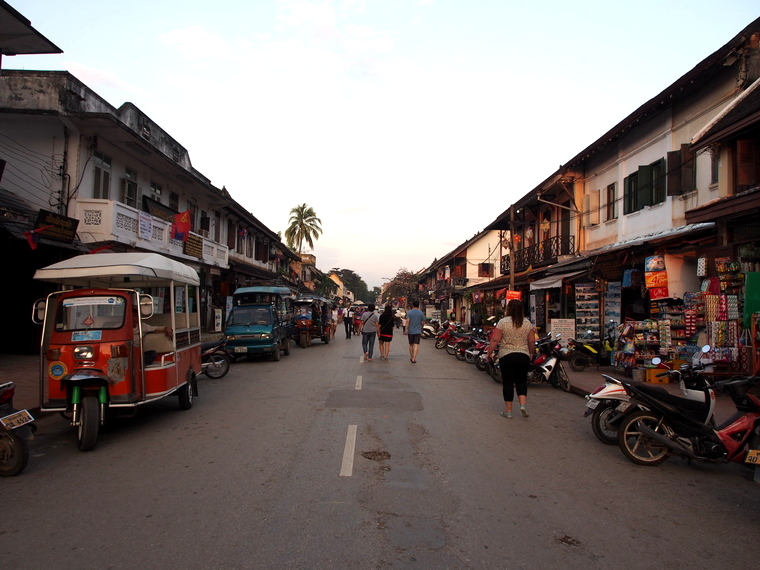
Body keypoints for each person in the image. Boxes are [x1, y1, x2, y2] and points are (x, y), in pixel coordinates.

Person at [486, 299, 536, 419]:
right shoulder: (527, 323)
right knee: (522, 381)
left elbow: (495, 340)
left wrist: (489, 352)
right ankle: (522, 405)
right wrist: (531, 352)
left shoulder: (503, 322)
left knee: (508, 383)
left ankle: (508, 411)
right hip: (523, 355)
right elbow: (531, 341)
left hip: (506, 355)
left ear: (509, 309)